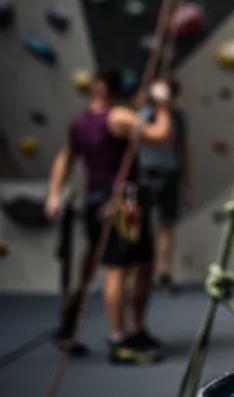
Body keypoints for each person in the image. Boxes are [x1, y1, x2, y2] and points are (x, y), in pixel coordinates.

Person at [46, 69, 173, 365]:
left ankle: (136, 329)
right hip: (122, 203)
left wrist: (54, 194)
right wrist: (163, 104)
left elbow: (65, 156)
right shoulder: (119, 118)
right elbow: (162, 137)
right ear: (118, 89)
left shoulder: (81, 121)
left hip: (96, 200)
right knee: (118, 268)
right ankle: (119, 338)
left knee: (142, 263)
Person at [137, 78, 190, 294]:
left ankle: (164, 273)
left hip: (170, 173)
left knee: (166, 224)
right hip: (144, 175)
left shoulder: (178, 117)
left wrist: (186, 180)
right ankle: (141, 272)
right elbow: (160, 136)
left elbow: (181, 147)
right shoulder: (143, 116)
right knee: (140, 228)